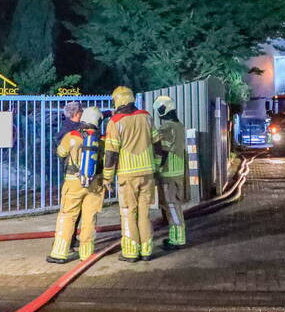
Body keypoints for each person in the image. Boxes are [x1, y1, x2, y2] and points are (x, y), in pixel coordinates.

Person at [103, 86, 160, 262]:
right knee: (144, 213)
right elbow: (158, 144)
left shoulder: (115, 122)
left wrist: (107, 177)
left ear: (118, 100)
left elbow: (111, 153)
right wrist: (155, 167)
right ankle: (147, 250)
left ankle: (130, 251)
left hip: (127, 174)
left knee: (129, 212)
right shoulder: (146, 117)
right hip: (147, 172)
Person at [47, 106, 105, 264]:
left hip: (73, 182)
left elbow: (61, 153)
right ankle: (86, 253)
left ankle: (59, 253)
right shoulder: (101, 140)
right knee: (89, 218)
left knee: (67, 216)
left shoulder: (72, 136)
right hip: (95, 184)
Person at [153, 95, 188, 250]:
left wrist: (156, 168)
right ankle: (175, 236)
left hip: (168, 173)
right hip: (178, 172)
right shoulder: (179, 126)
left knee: (172, 206)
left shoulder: (167, 128)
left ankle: (178, 239)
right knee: (173, 206)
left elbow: (163, 150)